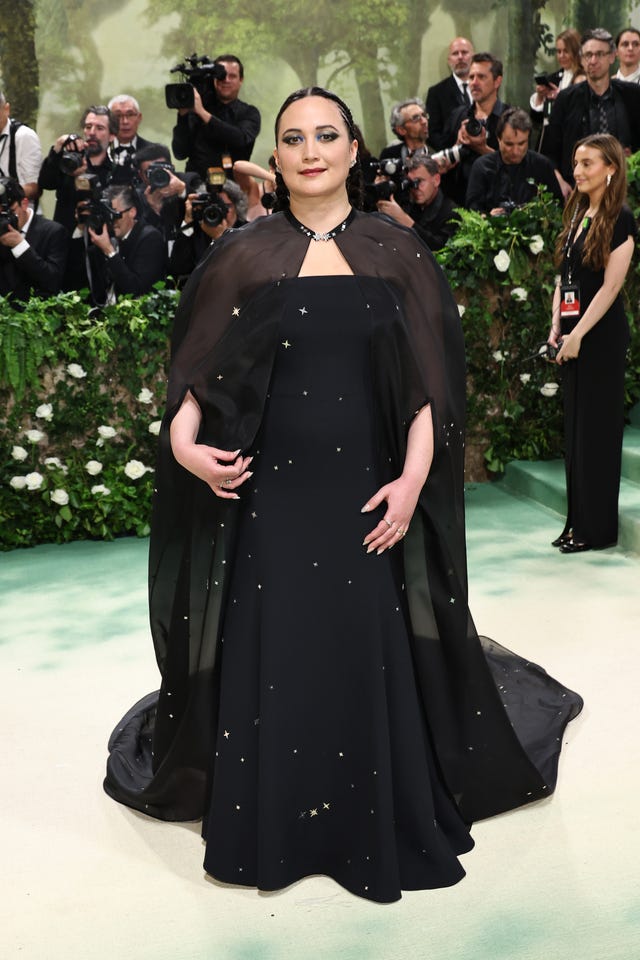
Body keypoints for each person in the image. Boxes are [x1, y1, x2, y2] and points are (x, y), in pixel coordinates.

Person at [104, 87, 582, 904]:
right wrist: (183, 446)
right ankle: (272, 820)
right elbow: (196, 379)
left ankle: (378, 812)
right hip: (268, 499)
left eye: (326, 135)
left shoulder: (396, 251)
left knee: (359, 640)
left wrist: (410, 483)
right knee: (279, 644)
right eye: (293, 138)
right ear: (277, 156)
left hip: (366, 497)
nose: (311, 150)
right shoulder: (242, 254)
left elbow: (426, 396)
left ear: (354, 149)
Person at [548, 133, 636, 554]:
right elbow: (564, 277)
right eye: (576, 163)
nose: (578, 171)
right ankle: (576, 522)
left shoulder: (621, 218)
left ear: (611, 169)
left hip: (599, 338)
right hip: (571, 336)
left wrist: (579, 334)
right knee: (576, 434)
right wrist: (556, 326)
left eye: (587, 163)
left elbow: (611, 287)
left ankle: (597, 530)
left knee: (597, 434)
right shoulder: (579, 212)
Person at [541, 28, 640, 189]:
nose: (593, 61)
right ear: (581, 59)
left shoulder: (633, 95)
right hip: (577, 188)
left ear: (611, 56)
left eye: (600, 54)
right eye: (588, 55)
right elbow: (549, 152)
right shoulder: (566, 99)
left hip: (625, 187)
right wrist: (560, 183)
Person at [67, 183, 167, 302]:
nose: (111, 221)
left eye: (115, 215)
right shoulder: (105, 237)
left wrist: (109, 252)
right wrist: (82, 226)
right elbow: (76, 276)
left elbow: (135, 289)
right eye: (107, 215)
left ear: (132, 212)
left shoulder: (149, 238)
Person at [171, 54, 261, 181]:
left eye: (232, 76)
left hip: (234, 186)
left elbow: (240, 139)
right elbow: (180, 153)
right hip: (196, 184)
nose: (226, 80)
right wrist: (183, 115)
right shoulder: (195, 111)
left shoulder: (249, 113)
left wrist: (203, 114)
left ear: (241, 80)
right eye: (221, 76)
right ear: (213, 79)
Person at [440, 53, 509, 204]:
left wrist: (482, 149)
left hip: (496, 202)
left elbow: (516, 166)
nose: (474, 83)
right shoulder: (457, 116)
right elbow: (444, 163)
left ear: (497, 81)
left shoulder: (511, 118)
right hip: (458, 202)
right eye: (471, 77)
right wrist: (458, 146)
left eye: (481, 77)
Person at [466, 107, 563, 214]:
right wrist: (488, 217)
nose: (515, 151)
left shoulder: (542, 166)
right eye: (509, 144)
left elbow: (557, 207)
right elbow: (472, 211)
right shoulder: (482, 167)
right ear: (499, 139)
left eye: (521, 144)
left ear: (528, 139)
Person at [38, 105, 116, 235]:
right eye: (88, 127)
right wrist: (58, 147)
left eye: (100, 128)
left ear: (112, 136)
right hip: (64, 237)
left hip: (99, 238)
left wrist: (82, 175)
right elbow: (46, 183)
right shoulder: (69, 162)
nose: (92, 132)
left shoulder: (114, 171)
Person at [0, 177, 68, 301]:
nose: (5, 219)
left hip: (37, 307)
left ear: (24, 203)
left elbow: (52, 280)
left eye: (10, 212)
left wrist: (20, 246)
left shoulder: (53, 232)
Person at [376, 150, 459, 251]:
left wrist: (405, 220)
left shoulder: (452, 212)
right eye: (410, 182)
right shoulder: (408, 202)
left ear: (436, 180)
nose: (415, 187)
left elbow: (440, 249)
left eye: (420, 181)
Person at [530, 28, 585, 151]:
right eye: (558, 51)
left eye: (566, 51)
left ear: (576, 51)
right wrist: (540, 97)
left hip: (573, 144)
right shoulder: (552, 79)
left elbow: (580, 116)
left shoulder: (584, 80)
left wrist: (560, 97)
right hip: (548, 143)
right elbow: (537, 120)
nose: (561, 56)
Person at [426, 37, 475, 151]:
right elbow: (432, 133)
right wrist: (451, 153)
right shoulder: (436, 93)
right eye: (455, 53)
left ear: (473, 57)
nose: (460, 57)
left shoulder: (485, 88)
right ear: (449, 60)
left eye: (464, 52)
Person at [0, 91, 43, 205]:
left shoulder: (24, 136)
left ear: (6, 109)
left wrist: (7, 193)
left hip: (19, 210)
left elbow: (35, 187)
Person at [108, 94, 151, 182]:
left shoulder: (154, 152)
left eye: (130, 114)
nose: (125, 121)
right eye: (118, 116)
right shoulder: (99, 152)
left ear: (139, 118)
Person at [379, 98, 430, 165]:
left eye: (424, 115)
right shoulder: (389, 156)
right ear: (401, 130)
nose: (424, 121)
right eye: (416, 118)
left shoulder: (437, 154)